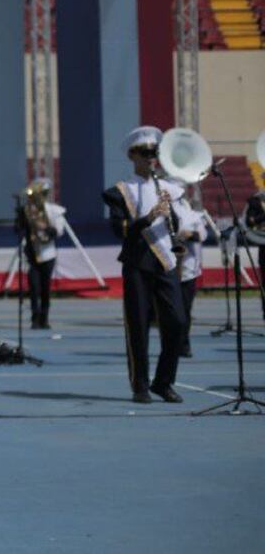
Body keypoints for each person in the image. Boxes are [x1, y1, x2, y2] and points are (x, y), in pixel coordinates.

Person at [101, 125, 187, 404]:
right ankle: (140, 384)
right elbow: (121, 229)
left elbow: (177, 223)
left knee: (177, 321)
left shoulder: (167, 189)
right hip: (138, 261)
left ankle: (164, 381)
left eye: (155, 153)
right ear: (133, 156)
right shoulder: (121, 191)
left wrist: (177, 225)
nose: (152, 158)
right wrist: (149, 218)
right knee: (137, 324)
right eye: (146, 153)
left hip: (165, 260)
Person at [15, 178, 67, 330]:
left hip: (47, 253)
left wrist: (43, 227)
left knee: (45, 288)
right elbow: (18, 229)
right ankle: (34, 319)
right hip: (32, 254)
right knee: (33, 287)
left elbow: (58, 231)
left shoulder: (52, 210)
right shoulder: (26, 211)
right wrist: (22, 219)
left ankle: (44, 318)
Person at [175, 192, 212, 359]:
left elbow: (202, 235)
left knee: (185, 310)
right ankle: (171, 343)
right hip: (170, 268)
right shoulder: (167, 209)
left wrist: (188, 234)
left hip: (189, 269)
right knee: (171, 311)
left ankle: (183, 344)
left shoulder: (192, 213)